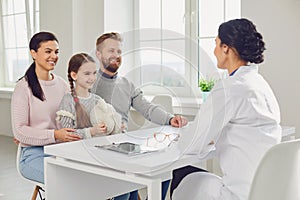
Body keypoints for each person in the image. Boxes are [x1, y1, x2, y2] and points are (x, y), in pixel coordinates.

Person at [171, 18, 281, 200]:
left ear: (226, 48)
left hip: (238, 195)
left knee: (180, 173)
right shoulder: (260, 84)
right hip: (264, 192)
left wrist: (179, 138)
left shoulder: (229, 87)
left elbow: (192, 144)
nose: (214, 50)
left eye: (216, 43)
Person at [91, 32, 188, 200]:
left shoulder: (127, 84)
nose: (116, 55)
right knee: (126, 188)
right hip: (98, 148)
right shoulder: (89, 82)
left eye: (119, 52)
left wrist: (170, 119)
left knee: (163, 171)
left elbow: (147, 108)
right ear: (99, 54)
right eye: (111, 51)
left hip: (123, 146)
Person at [11, 32, 81, 184]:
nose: (53, 56)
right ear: (33, 53)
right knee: (72, 183)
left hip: (63, 151)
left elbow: (74, 119)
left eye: (56, 52)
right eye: (48, 51)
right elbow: (20, 131)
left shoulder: (62, 84)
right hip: (34, 155)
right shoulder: (23, 88)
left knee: (113, 178)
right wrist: (55, 135)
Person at [56, 52, 129, 200]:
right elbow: (66, 136)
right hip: (78, 157)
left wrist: (116, 127)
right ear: (74, 75)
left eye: (94, 73)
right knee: (122, 186)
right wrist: (92, 131)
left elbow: (109, 128)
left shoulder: (97, 100)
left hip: (98, 154)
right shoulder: (67, 101)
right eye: (87, 73)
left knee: (128, 183)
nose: (92, 78)